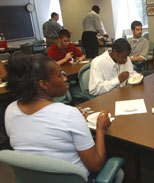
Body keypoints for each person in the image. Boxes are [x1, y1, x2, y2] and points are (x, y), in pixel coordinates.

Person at [5, 53, 123, 183]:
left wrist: (72, 117)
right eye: (60, 75)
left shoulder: (10, 110)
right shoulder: (68, 114)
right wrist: (100, 128)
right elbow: (96, 166)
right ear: (43, 84)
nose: (65, 78)